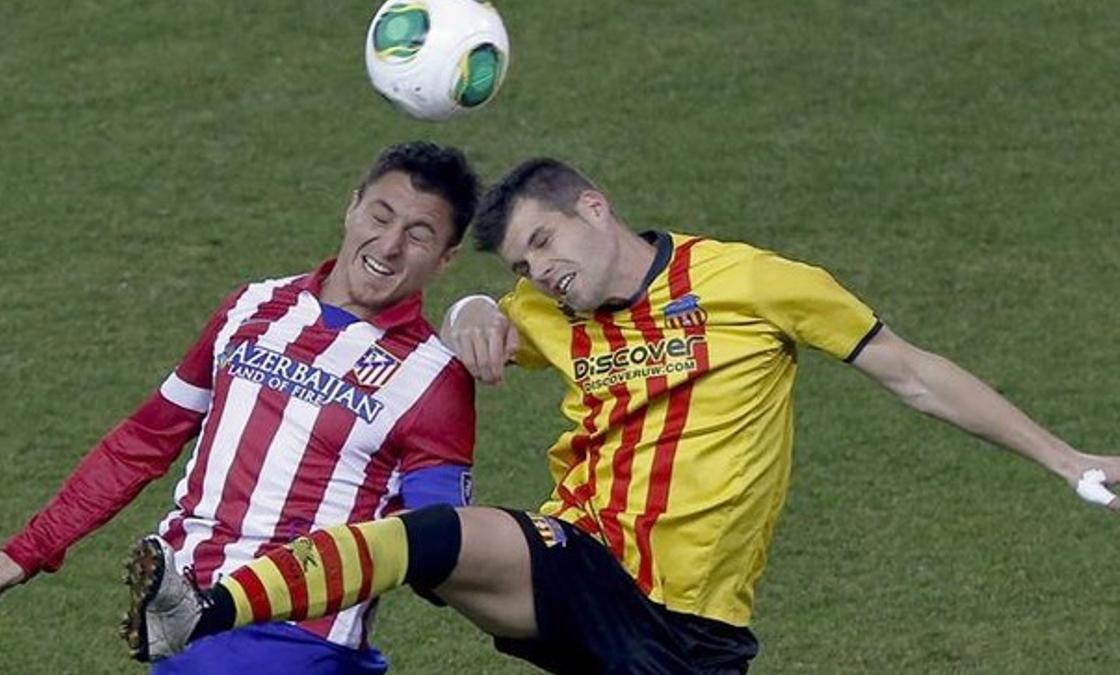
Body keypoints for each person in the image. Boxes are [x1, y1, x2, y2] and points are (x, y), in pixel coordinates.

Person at [118, 157, 1120, 674]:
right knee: (424, 539)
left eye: (548, 240)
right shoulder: (546, 311)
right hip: (580, 565)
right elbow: (478, 330)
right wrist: (474, 308)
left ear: (595, 208)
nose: (542, 270)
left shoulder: (752, 283)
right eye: (521, 262)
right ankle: (203, 609)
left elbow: (910, 373)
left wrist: (1064, 457)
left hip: (689, 634)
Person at [0, 141, 481, 674]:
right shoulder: (253, 307)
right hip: (180, 616)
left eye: (418, 235)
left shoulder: (434, 379)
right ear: (352, 205)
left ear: (445, 258)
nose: (388, 245)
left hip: (296, 640)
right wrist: (28, 549)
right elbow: (145, 440)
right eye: (380, 216)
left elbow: (436, 544)